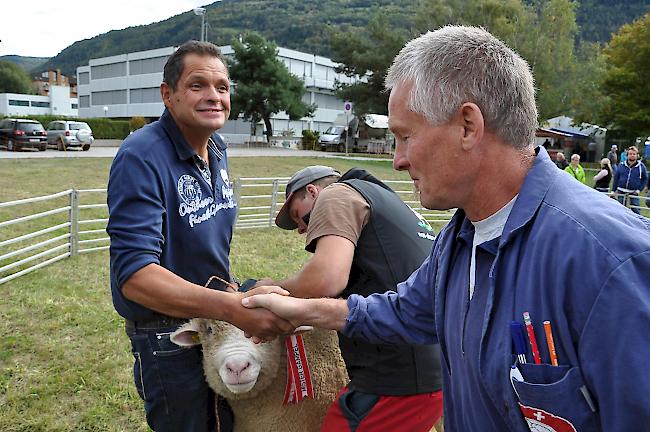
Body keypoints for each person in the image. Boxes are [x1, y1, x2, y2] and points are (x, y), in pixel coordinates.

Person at [242, 26, 650, 431]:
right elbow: (402, 311)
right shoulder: (459, 238)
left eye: (405, 136)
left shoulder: (609, 260)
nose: (398, 160)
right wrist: (301, 309)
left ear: (468, 126)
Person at [106, 41, 293, 432]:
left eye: (222, 87)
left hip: (215, 323)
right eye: (197, 85)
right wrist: (231, 309)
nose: (214, 97)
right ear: (167, 94)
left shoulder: (217, 148)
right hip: (169, 332)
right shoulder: (142, 155)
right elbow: (137, 278)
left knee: (224, 423)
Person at [258, 165, 443, 431]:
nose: (301, 229)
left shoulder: (337, 194)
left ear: (312, 191)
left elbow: (327, 278)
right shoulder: (385, 199)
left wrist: (271, 289)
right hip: (427, 367)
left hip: (397, 377)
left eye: (300, 217)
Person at [612, 145, 648, 214]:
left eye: (634, 154)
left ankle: (638, 223)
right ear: (627, 155)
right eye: (630, 154)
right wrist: (613, 190)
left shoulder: (641, 167)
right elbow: (616, 178)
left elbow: (644, 179)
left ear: (637, 155)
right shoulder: (621, 165)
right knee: (620, 210)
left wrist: (639, 190)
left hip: (634, 192)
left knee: (636, 210)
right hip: (621, 191)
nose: (632, 155)